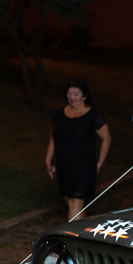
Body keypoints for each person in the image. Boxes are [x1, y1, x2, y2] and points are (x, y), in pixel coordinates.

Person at [45, 79, 111, 222]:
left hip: (84, 168)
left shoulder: (93, 116)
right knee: (71, 202)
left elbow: (106, 138)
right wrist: (48, 159)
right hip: (64, 166)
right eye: (69, 93)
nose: (72, 97)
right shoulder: (59, 114)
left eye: (76, 94)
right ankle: (81, 232)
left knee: (76, 202)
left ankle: (69, 235)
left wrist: (99, 163)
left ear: (84, 95)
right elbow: (53, 137)